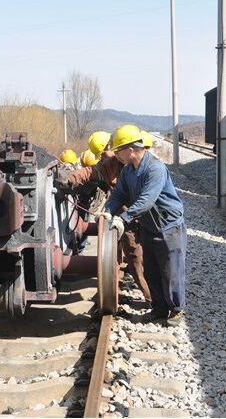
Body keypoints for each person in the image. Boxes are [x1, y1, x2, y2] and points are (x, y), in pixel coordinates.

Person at [54, 132, 152, 306]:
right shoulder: (112, 165)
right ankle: (152, 299)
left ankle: (163, 299)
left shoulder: (147, 166)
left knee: (153, 256)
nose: (111, 153)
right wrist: (70, 178)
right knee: (136, 257)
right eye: (110, 150)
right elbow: (90, 172)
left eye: (113, 150)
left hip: (147, 216)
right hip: (125, 218)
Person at [103, 124, 186, 326]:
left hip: (168, 226)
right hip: (149, 225)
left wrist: (124, 218)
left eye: (118, 151)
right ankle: (159, 308)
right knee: (151, 271)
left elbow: (146, 200)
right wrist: (107, 210)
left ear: (130, 150)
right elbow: (119, 194)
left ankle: (176, 310)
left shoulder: (155, 168)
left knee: (171, 271)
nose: (116, 155)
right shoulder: (127, 171)